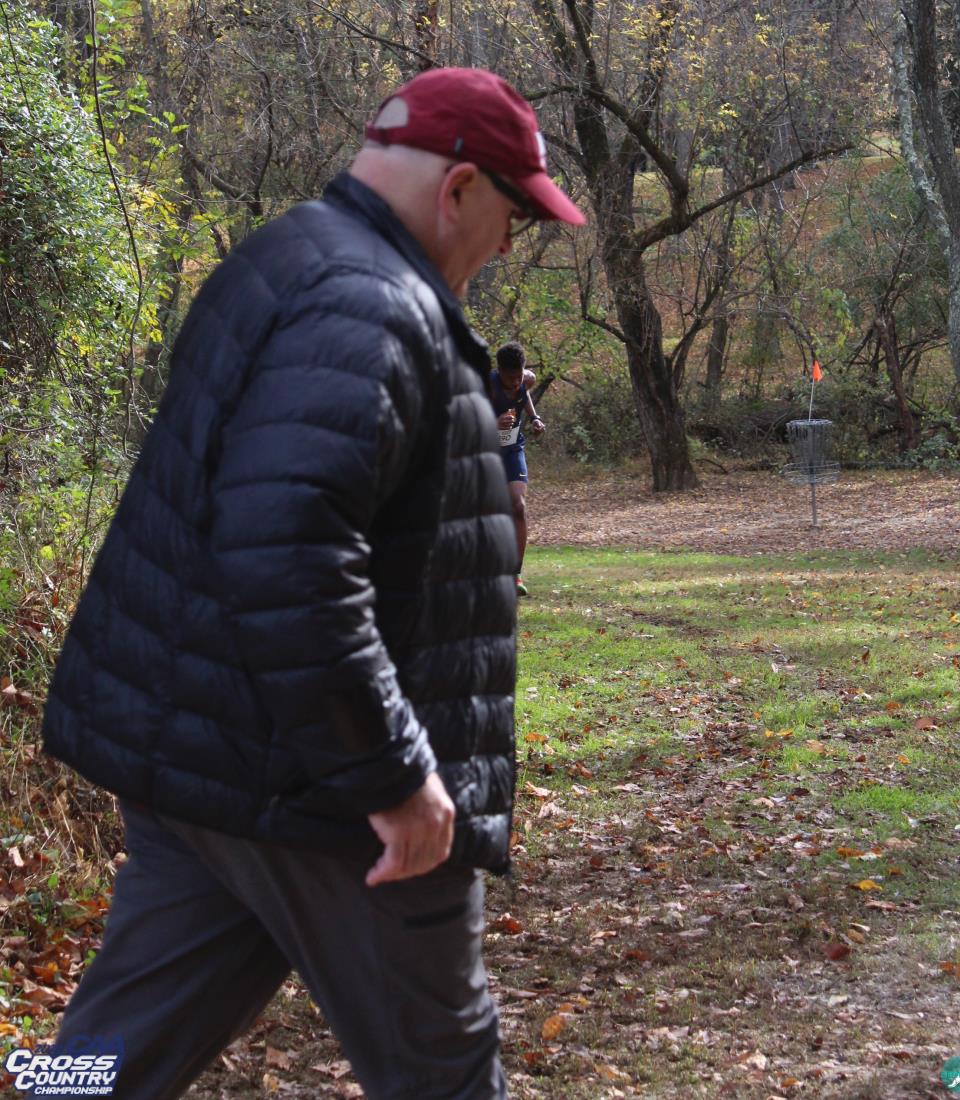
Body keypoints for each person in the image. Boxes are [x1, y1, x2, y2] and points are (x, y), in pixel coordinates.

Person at [41, 67, 585, 1100]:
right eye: (515, 217)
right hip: (335, 808)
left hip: (206, 772)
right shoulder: (369, 306)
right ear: (459, 188)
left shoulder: (285, 255)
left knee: (102, 1062)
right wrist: (395, 777)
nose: (511, 245)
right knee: (445, 1076)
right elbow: (285, 551)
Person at [490, 342, 544, 596]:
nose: (515, 383)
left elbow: (524, 393)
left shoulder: (527, 380)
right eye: (509, 378)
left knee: (518, 506)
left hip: (512, 450)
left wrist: (534, 418)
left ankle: (515, 574)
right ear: (498, 371)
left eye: (518, 376)